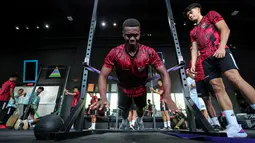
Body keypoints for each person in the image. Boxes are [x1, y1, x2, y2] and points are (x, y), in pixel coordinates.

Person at [184, 3, 255, 137]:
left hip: (219, 51)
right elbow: (194, 48)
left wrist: (222, 47)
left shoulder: (211, 15)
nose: (190, 15)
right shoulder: (193, 32)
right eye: (188, 15)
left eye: (191, 12)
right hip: (205, 60)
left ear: (198, 9)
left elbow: (225, 29)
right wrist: (192, 64)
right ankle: (235, 126)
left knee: (234, 78)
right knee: (217, 88)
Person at [94, 18, 174, 130]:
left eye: (135, 35)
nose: (132, 39)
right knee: (124, 109)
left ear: (140, 34)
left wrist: (167, 95)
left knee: (140, 109)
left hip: (140, 88)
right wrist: (103, 97)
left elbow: (164, 73)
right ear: (123, 34)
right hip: (123, 87)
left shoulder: (149, 52)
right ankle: (125, 121)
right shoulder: (115, 53)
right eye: (128, 35)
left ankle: (139, 120)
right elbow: (103, 75)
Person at [188, 55, 222, 130]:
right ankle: (216, 124)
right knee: (207, 102)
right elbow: (190, 73)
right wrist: (194, 77)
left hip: (210, 78)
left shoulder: (206, 55)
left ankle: (230, 120)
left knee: (219, 98)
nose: (192, 50)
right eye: (190, 49)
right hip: (200, 81)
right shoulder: (192, 61)